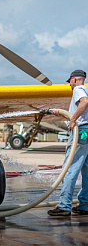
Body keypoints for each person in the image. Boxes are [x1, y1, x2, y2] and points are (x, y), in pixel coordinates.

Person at [48, 69, 88, 216]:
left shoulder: (79, 89)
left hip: (80, 132)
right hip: (87, 132)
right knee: (87, 171)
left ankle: (64, 206)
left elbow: (84, 103)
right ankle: (85, 205)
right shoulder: (87, 89)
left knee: (70, 168)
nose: (70, 85)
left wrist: (72, 119)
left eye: (70, 81)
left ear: (74, 79)